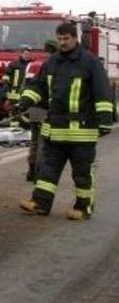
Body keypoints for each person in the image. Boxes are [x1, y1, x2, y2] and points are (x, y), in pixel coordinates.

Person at [17, 22, 113, 220]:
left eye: (66, 39)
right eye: (59, 39)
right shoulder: (51, 62)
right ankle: (40, 203)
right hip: (55, 129)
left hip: (82, 132)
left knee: (82, 173)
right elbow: (39, 86)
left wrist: (105, 120)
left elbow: (102, 91)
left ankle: (83, 208)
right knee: (47, 171)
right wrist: (25, 100)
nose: (62, 43)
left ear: (75, 38)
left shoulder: (90, 62)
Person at [23, 40, 58, 181]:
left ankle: (31, 171)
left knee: (34, 140)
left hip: (33, 105)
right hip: (46, 107)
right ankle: (39, 173)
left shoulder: (33, 64)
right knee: (43, 142)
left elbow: (25, 86)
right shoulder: (54, 65)